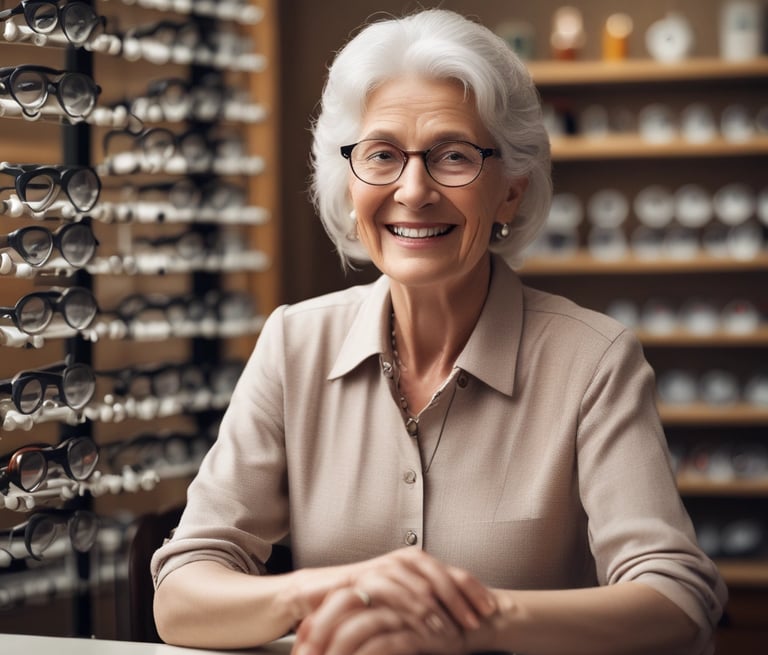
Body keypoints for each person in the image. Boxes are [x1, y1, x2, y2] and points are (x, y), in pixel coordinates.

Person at [151, 8, 727, 654]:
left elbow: (677, 598)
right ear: (349, 184)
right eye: (382, 155)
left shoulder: (593, 359)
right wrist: (328, 590)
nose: (413, 190)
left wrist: (473, 619)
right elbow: (181, 596)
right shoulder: (293, 344)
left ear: (511, 189)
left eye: (453, 156)